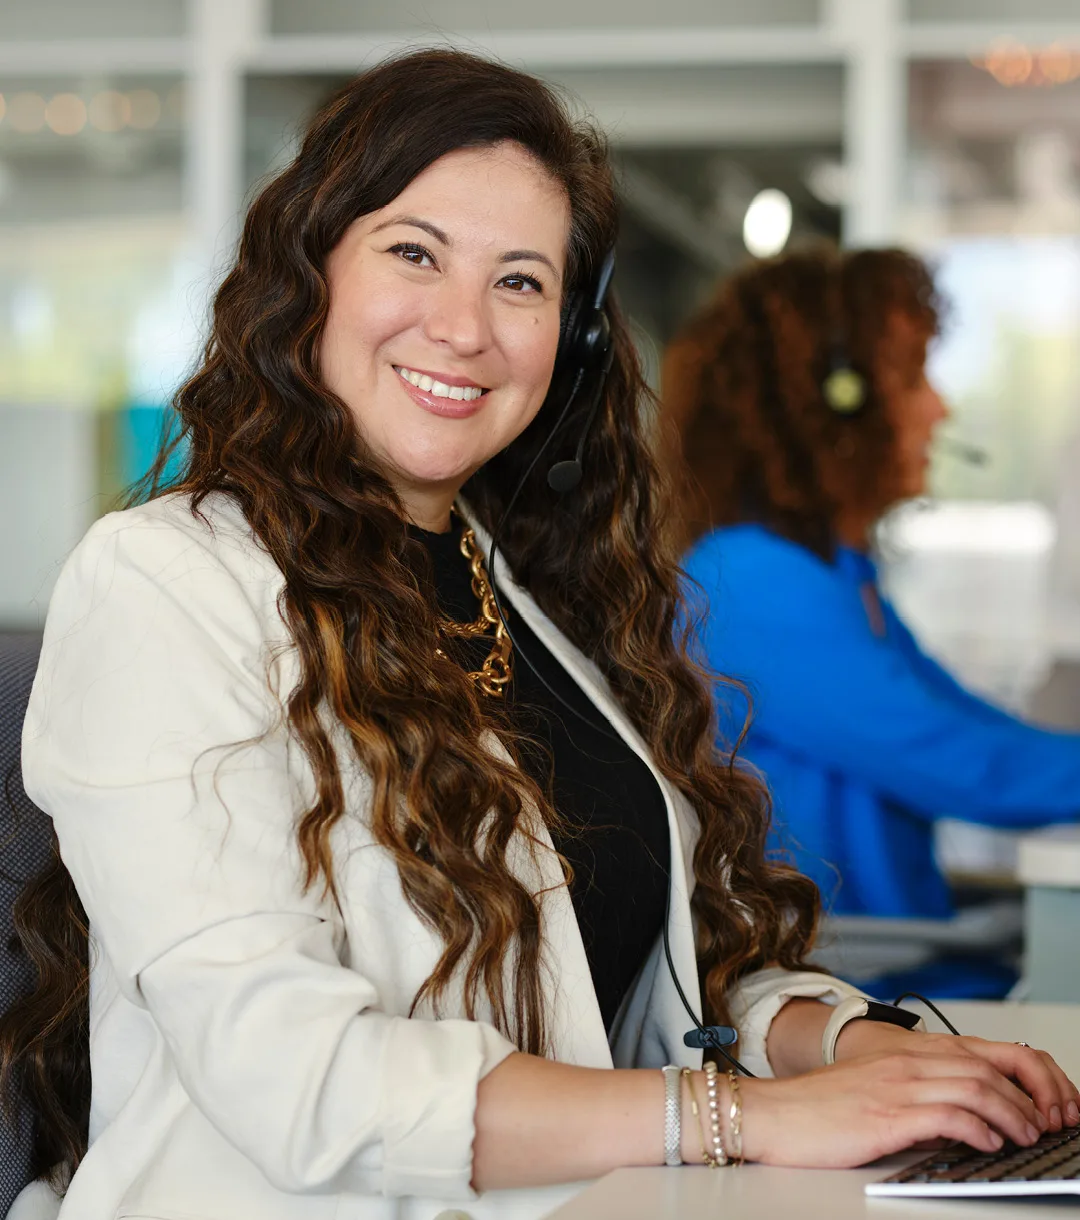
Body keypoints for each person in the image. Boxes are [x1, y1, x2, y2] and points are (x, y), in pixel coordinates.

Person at [2, 54, 1076, 1220]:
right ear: (309, 274)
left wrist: (847, 1044)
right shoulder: (166, 581)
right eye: (414, 252)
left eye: (521, 281)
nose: (463, 326)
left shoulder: (512, 584)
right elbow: (296, 1077)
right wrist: (743, 1116)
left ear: (570, 337)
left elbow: (642, 971)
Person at [664, 247, 1080, 936]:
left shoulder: (834, 575)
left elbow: (971, 728)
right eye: (914, 377)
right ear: (835, 402)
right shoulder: (752, 581)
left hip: (898, 964)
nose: (940, 408)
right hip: (858, 988)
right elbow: (970, 767)